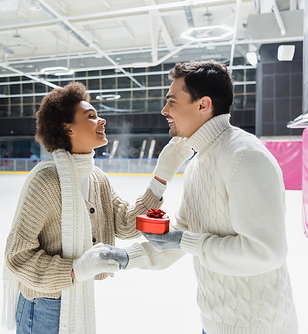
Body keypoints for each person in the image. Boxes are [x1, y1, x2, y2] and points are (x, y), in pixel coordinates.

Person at [102, 61, 299, 333]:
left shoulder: (244, 156)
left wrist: (185, 240)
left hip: (256, 327)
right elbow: (181, 238)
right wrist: (124, 257)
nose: (164, 110)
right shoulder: (196, 165)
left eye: (172, 101)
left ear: (203, 104)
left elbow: (266, 253)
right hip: (213, 321)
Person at [2, 82, 190, 334]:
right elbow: (17, 256)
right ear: (67, 128)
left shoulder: (97, 178)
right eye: (91, 116)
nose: (101, 120)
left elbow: (124, 224)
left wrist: (162, 175)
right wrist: (75, 269)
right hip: (44, 302)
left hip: (78, 294)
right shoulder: (46, 180)